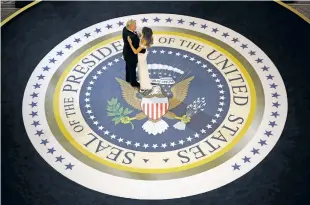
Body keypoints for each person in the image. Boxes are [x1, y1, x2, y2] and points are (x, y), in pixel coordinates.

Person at [127, 27, 154, 93]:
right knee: (144, 68)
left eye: (142, 31)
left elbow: (136, 52)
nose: (141, 31)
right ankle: (146, 83)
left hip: (140, 56)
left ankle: (143, 87)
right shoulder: (149, 38)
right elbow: (140, 36)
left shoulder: (144, 40)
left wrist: (130, 43)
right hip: (144, 54)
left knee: (141, 71)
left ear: (144, 33)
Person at [122, 19, 145, 88]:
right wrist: (143, 50)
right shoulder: (132, 37)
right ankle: (133, 82)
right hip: (131, 55)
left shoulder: (125, 29)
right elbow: (136, 48)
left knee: (127, 66)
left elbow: (133, 33)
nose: (136, 26)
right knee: (132, 69)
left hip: (126, 53)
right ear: (130, 26)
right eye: (134, 25)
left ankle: (127, 78)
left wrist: (137, 33)